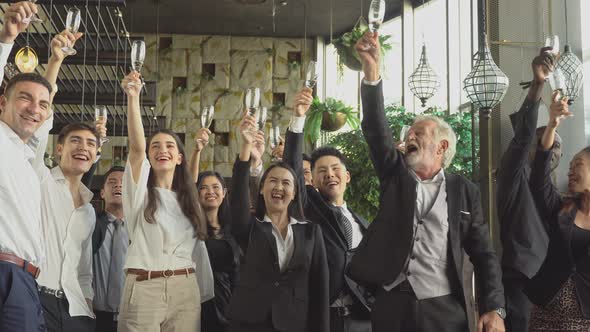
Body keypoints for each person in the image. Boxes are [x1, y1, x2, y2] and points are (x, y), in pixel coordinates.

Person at [349, 31, 506, 332]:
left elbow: (484, 253)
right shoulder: (395, 175)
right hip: (391, 304)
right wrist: (371, 73)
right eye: (409, 133)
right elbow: (375, 130)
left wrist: (494, 308)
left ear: (442, 147)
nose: (410, 136)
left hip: (443, 308)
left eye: (419, 133)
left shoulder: (465, 190)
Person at [118, 71, 214, 332]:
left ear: (180, 157)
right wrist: (133, 98)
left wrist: (197, 149)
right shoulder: (139, 194)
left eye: (170, 146)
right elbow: (136, 149)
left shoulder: (188, 201)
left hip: (185, 288)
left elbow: (191, 180)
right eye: (156, 146)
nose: (163, 150)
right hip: (144, 286)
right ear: (149, 156)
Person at [227, 112, 329, 332]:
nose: (279, 187)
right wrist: (245, 149)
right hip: (249, 323)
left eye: (286, 183)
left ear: (294, 193)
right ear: (262, 189)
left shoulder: (311, 232)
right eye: (272, 181)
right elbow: (237, 198)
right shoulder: (250, 227)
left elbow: (320, 289)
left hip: (295, 324)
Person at [283, 87, 372, 332]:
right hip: (324, 319)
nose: (329, 174)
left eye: (335, 169)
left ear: (347, 176)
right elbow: (292, 171)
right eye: (321, 171)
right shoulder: (311, 208)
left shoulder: (361, 221)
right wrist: (298, 117)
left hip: (363, 319)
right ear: (313, 179)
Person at [496, 47, 560, 332]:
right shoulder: (512, 176)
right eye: (546, 138)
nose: (553, 146)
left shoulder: (553, 191)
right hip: (524, 282)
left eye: (557, 142)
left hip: (557, 287)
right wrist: (538, 84)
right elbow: (522, 137)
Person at [0, 3, 54, 330]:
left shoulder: (24, 156)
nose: (35, 109)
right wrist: (7, 39)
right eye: (25, 98)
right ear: (2, 102)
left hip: (27, 283)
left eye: (43, 104)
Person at [526, 93, 590, 331]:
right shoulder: (561, 209)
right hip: (546, 316)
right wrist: (551, 124)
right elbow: (538, 180)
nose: (569, 172)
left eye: (578, 166)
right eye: (569, 166)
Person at [190, 128, 241, 332]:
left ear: (224, 193)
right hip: (197, 304)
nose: (210, 191)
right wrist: (196, 151)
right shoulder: (190, 226)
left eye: (215, 187)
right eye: (204, 187)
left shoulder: (235, 228)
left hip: (231, 304)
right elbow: (188, 183)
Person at [92, 166, 127, 332]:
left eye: (123, 183)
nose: (118, 186)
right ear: (102, 193)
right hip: (96, 316)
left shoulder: (142, 229)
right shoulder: (91, 225)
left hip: (133, 315)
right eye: (112, 182)